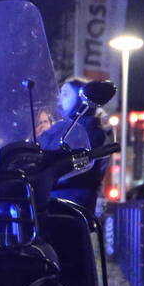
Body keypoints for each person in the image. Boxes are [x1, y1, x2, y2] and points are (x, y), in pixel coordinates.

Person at [48, 76, 113, 216]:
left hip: (72, 196)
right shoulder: (64, 128)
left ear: (82, 99)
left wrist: (54, 172)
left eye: (65, 94)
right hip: (56, 191)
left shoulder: (88, 129)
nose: (59, 99)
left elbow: (82, 164)